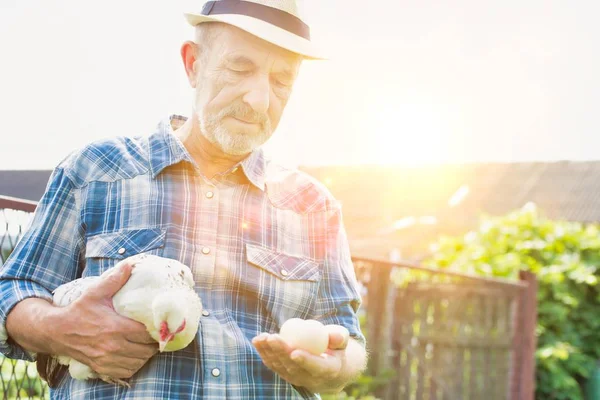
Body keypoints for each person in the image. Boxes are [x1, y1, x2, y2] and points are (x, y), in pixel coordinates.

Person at [0, 0, 367, 398]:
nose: (259, 99)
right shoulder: (94, 170)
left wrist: (330, 367)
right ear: (193, 64)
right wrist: (60, 329)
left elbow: (348, 343)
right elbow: (12, 293)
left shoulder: (314, 206)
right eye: (240, 68)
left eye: (281, 80)